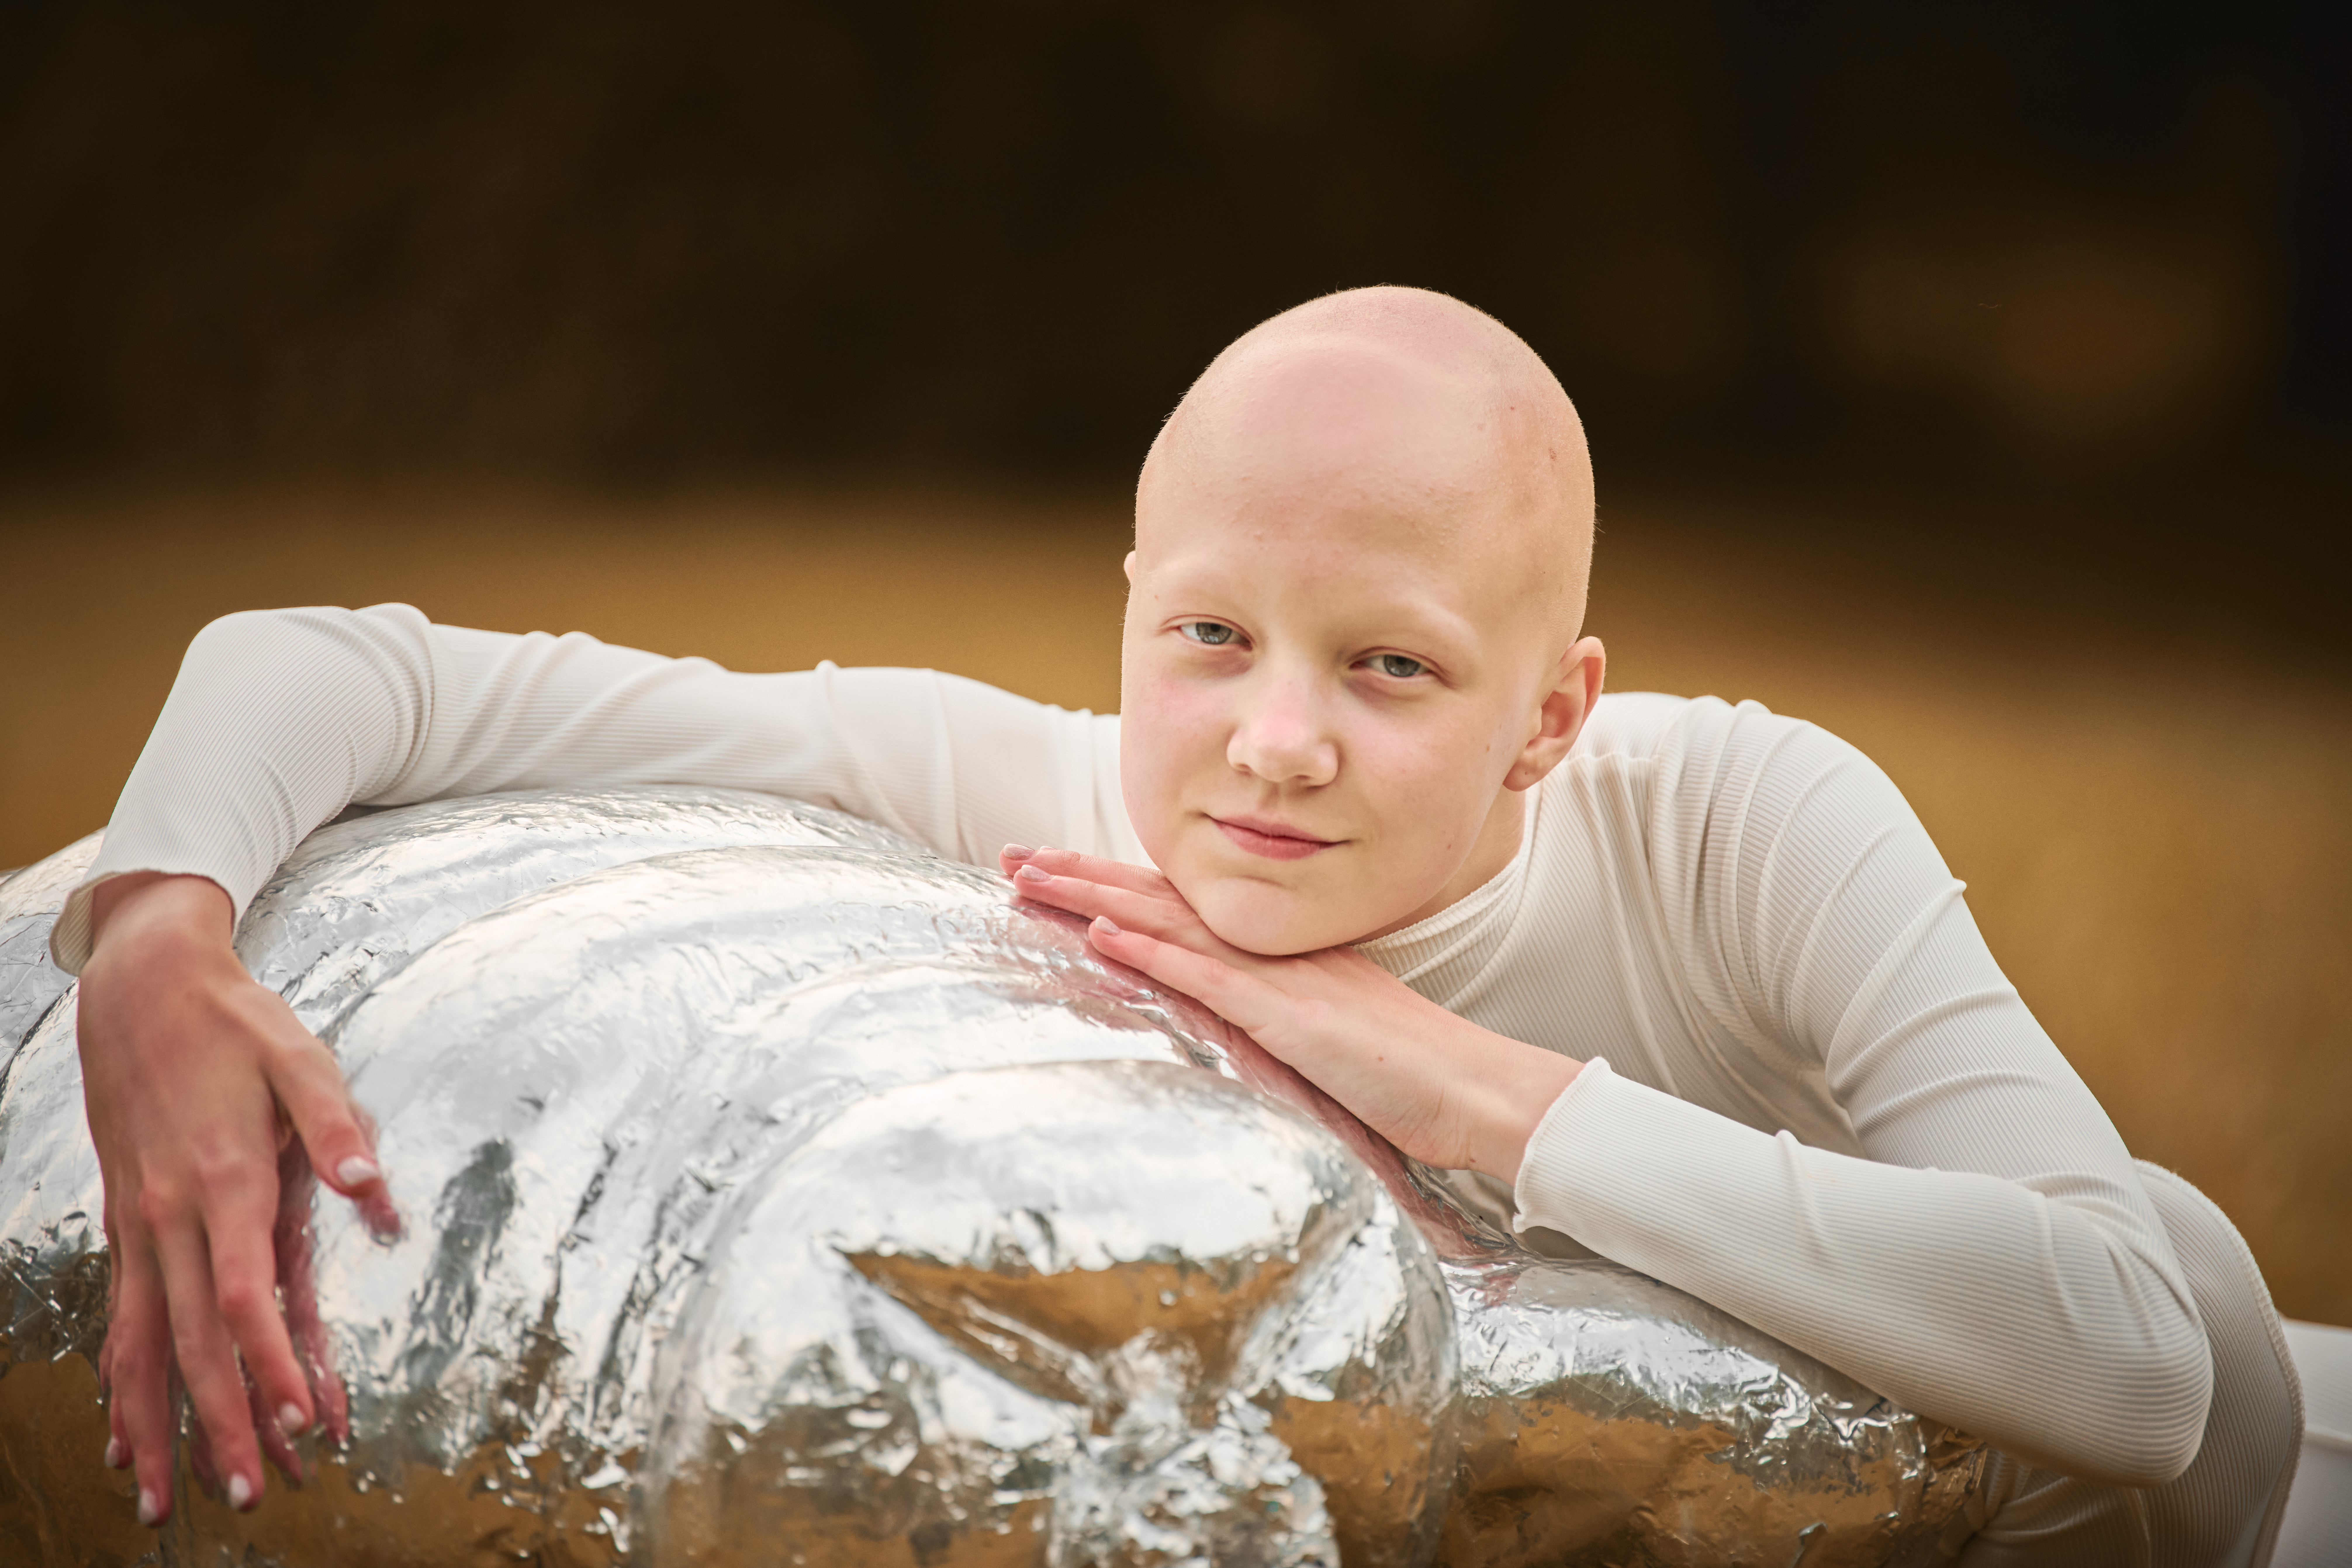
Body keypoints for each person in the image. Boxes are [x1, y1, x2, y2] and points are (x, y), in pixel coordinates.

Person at [57, 287, 2301, 1561]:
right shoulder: (1030, 790)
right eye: (1210, 635)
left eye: (1393, 667)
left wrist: (1455, 1082)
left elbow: (2141, 1355)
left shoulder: (1746, 822)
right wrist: (163, 928)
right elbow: (345, 658)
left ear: (1554, 711)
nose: (1272, 743)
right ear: (1129, 611)